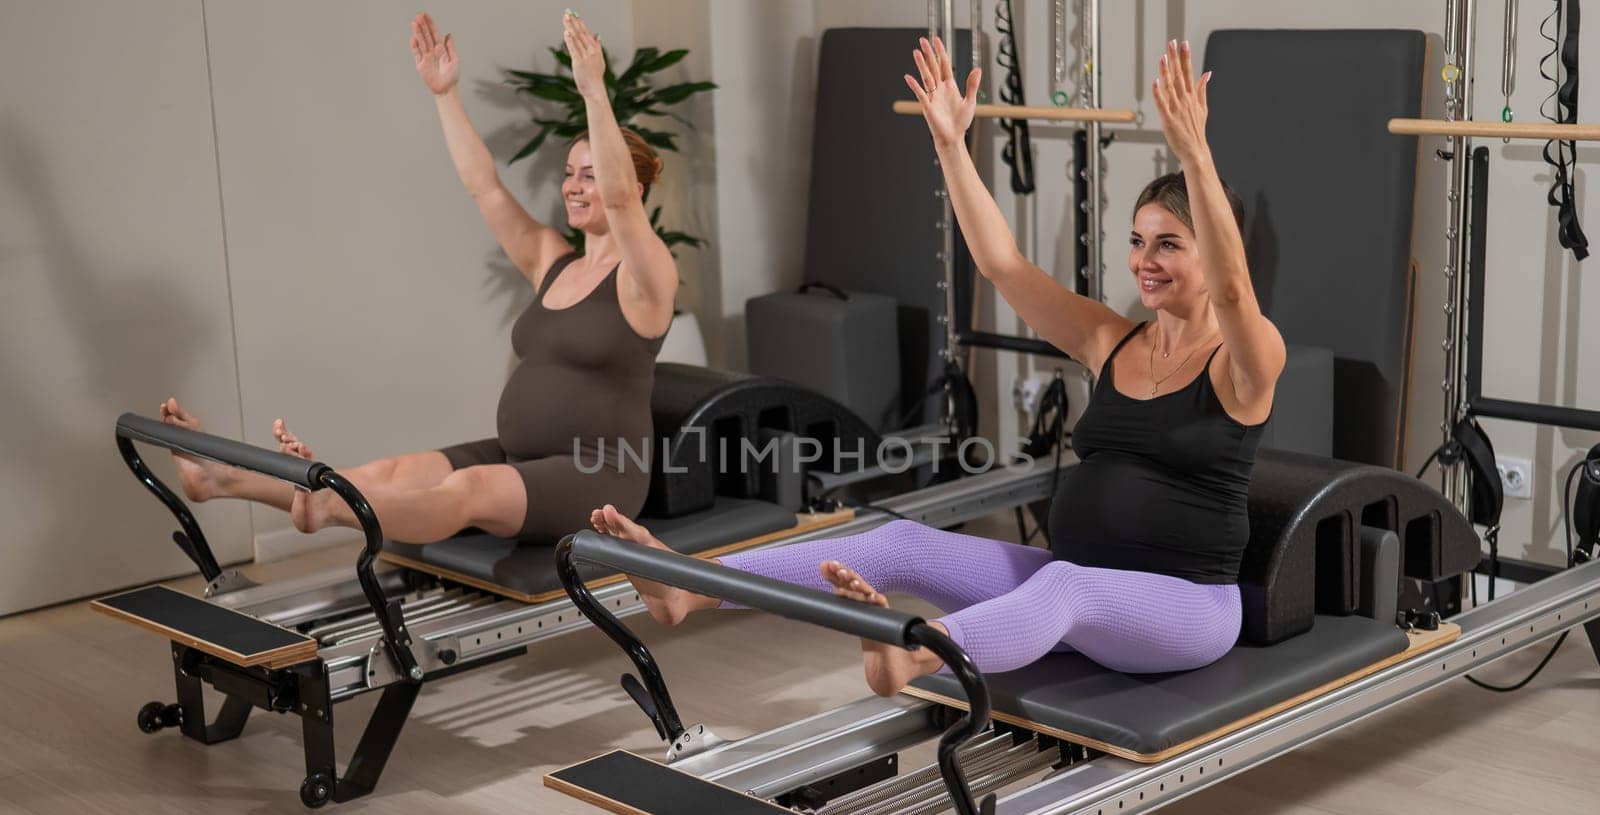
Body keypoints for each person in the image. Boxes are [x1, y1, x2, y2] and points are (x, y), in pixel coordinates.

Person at [591, 38, 1285, 697]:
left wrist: (1194, 153)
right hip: (1082, 579)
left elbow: (1232, 294)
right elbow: (1002, 265)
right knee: (900, 544)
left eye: (1170, 244)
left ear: (1216, 253)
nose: (1145, 261)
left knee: (1063, 591)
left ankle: (916, 655)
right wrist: (952, 146)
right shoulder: (1112, 339)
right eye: (1138, 242)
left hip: (1188, 608)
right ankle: (689, 586)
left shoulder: (1248, 360)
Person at [158, 10, 676, 545]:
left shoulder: (646, 277)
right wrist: (444, 94)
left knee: (468, 488)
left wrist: (593, 91)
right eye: (569, 173)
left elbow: (615, 200)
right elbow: (486, 189)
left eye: (590, 175)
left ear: (635, 191)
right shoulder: (553, 259)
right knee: (392, 472)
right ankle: (220, 478)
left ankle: (330, 513)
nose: (573, 186)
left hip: (596, 474)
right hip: (520, 456)